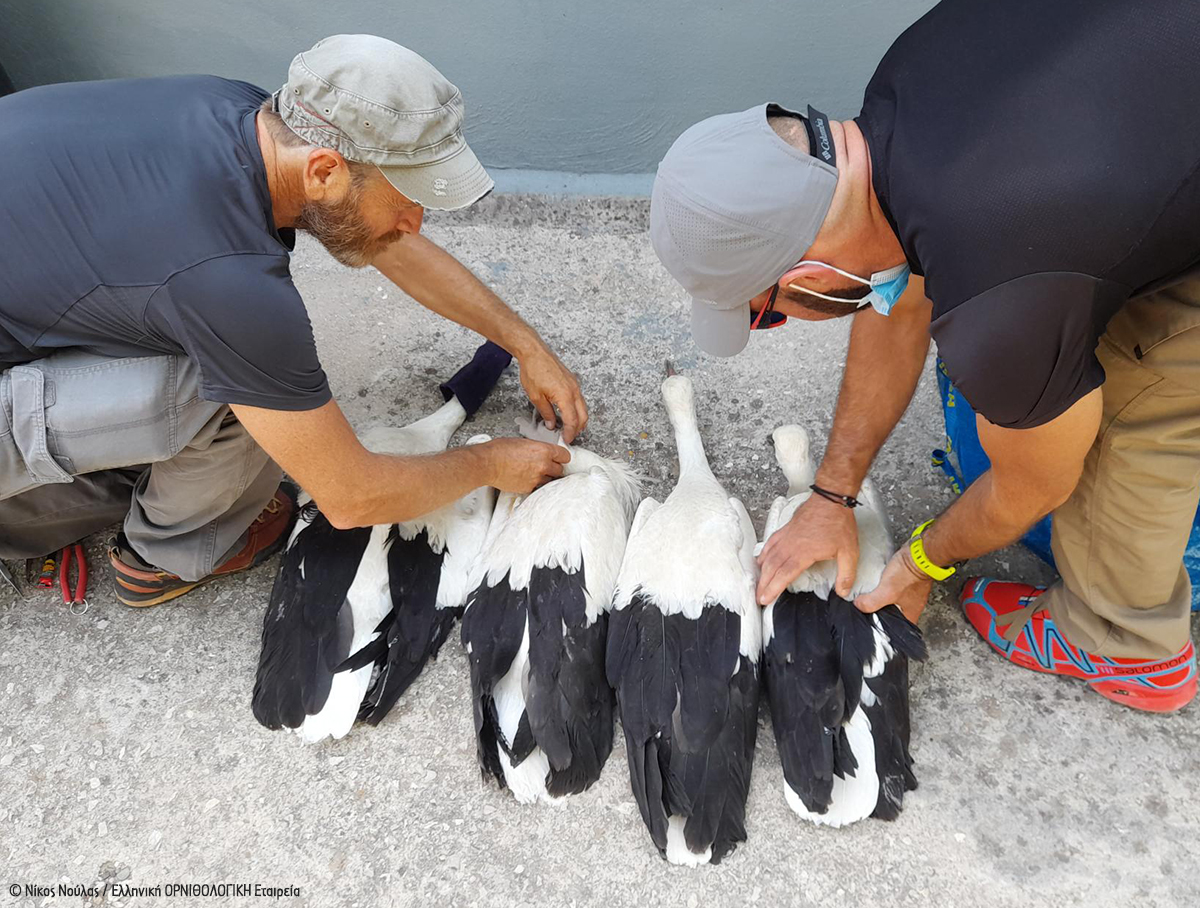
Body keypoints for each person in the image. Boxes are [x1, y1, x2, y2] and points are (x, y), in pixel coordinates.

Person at [648, 0, 1199, 712]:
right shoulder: (907, 79)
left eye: (770, 314)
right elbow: (904, 279)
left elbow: (1033, 484)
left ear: (814, 280)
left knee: (1128, 394)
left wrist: (920, 562)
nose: (777, 321)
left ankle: (1125, 647)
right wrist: (831, 493)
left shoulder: (1001, 299)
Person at [0, 34, 584, 607]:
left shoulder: (245, 111)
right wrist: (490, 463)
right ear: (325, 170)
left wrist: (523, 343)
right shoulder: (228, 281)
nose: (417, 221)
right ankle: (166, 555)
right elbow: (350, 497)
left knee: (225, 344)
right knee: (243, 394)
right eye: (408, 197)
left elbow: (383, 237)